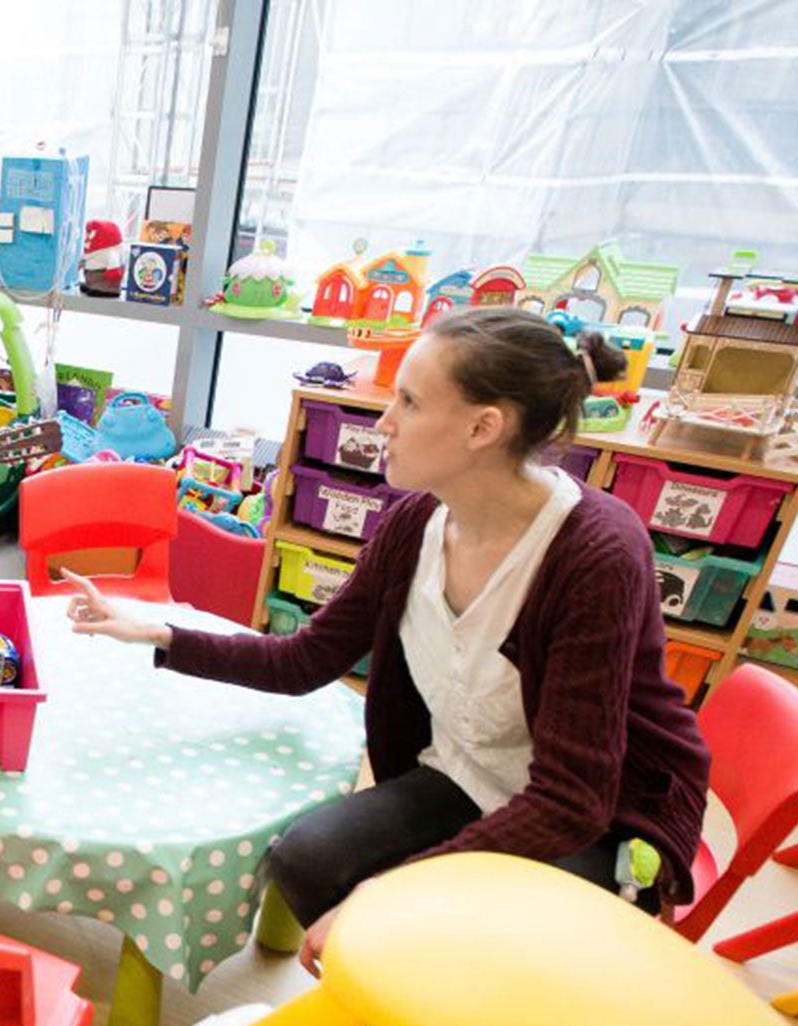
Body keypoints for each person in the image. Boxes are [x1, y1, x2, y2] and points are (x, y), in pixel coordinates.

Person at [67, 312, 708, 958]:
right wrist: (156, 631)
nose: (383, 422)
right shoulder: (414, 525)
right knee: (308, 861)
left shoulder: (595, 555)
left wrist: (386, 893)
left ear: (483, 428)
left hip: (597, 816)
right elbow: (305, 659)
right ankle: (372, 1004)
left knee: (474, 946)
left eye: (410, 402)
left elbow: (572, 800)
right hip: (469, 773)